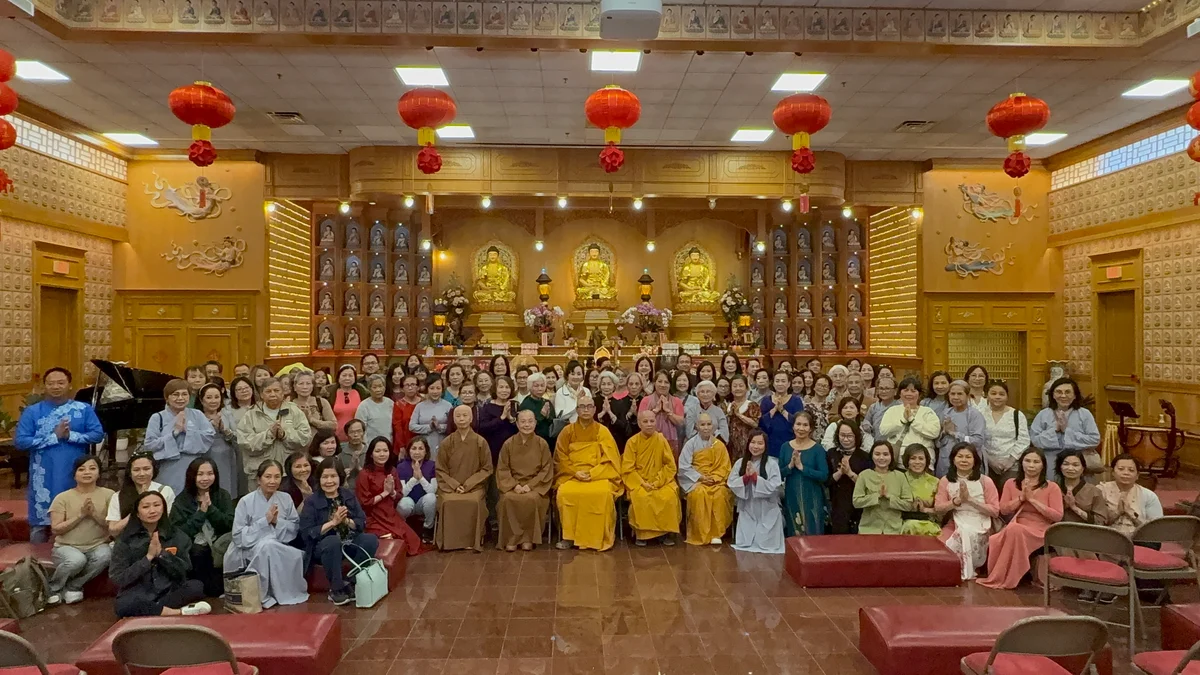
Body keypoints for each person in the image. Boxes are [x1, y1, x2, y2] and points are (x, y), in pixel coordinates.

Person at [16, 367, 105, 543]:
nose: (55, 386)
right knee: (40, 523)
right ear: (44, 386)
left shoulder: (83, 409)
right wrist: (53, 437)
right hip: (43, 475)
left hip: (74, 473)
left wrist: (71, 436)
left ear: (69, 385)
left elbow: (97, 434)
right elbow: (21, 441)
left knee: (75, 516)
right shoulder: (32, 412)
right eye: (51, 383)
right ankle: (35, 564)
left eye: (60, 382)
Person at [110, 491, 210, 617]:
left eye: (156, 505)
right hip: (139, 592)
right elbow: (118, 578)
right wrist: (148, 558)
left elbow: (184, 570)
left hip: (168, 590)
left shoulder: (177, 535)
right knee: (124, 605)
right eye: (146, 507)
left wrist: (162, 555)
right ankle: (178, 612)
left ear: (163, 508)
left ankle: (153, 610)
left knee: (196, 586)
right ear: (137, 513)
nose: (152, 511)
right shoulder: (125, 540)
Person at [224, 460, 308, 608]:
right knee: (267, 546)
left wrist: (276, 522)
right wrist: (265, 521)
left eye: (277, 477)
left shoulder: (286, 499)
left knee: (277, 549)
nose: (272, 481)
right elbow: (238, 536)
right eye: (268, 477)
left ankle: (276, 592)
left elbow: (294, 528)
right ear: (259, 479)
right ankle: (261, 594)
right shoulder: (245, 501)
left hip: (278, 546)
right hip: (248, 548)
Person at [977, 448, 1064, 590]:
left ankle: (1008, 578)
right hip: (1018, 523)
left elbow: (1057, 516)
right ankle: (1001, 576)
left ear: (1043, 465)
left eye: (1036, 462)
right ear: (1021, 463)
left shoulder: (1051, 487)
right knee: (1004, 534)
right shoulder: (1011, 483)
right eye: (1027, 461)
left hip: (1041, 529)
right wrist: (1021, 498)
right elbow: (1003, 509)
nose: (1031, 465)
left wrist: (1033, 501)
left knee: (1014, 530)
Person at [300, 458, 379, 605]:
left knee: (371, 539)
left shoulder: (348, 495)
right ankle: (336, 589)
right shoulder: (311, 501)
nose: (329, 481)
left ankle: (351, 581)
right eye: (325, 477)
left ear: (340, 478)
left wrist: (346, 521)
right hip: (322, 546)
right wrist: (333, 523)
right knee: (332, 542)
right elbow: (307, 533)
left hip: (348, 540)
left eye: (333, 476)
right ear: (319, 479)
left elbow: (361, 522)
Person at [554, 396, 623, 551]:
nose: (585, 410)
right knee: (565, 493)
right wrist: (574, 472)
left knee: (603, 493)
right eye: (582, 407)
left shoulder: (602, 431)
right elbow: (560, 457)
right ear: (577, 410)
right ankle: (569, 537)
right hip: (573, 475)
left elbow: (610, 459)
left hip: (597, 474)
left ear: (594, 409)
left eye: (589, 406)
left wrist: (593, 473)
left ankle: (598, 537)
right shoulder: (567, 431)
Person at [46, 456, 113, 606]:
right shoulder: (62, 497)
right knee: (77, 560)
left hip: (97, 544)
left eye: (92, 468)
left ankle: (73, 586)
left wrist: (94, 514)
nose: (87, 472)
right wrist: (81, 515)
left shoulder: (109, 495)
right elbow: (56, 529)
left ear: (99, 473)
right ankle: (53, 589)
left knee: (106, 555)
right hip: (66, 546)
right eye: (81, 469)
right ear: (74, 474)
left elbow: (111, 526)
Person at [170, 457, 234, 597]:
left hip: (220, 544)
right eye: (200, 474)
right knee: (198, 552)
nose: (205, 478)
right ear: (192, 476)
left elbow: (230, 524)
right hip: (194, 549)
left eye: (210, 474)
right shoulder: (182, 500)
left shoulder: (222, 495)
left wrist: (211, 509)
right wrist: (201, 513)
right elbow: (179, 532)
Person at [935, 443, 1000, 580]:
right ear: (953, 459)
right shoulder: (946, 481)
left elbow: (995, 511)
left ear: (975, 460)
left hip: (981, 522)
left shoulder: (985, 481)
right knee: (943, 542)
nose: (964, 460)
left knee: (966, 532)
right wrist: (955, 502)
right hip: (957, 520)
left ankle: (967, 571)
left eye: (968, 457)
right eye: (960, 456)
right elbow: (938, 508)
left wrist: (970, 500)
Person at [433, 405, 493, 551]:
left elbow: (487, 468)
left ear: (471, 418)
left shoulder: (480, 441)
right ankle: (450, 542)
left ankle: (473, 541)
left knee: (474, 501)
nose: (461, 419)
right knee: (447, 502)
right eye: (458, 416)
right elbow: (440, 469)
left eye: (465, 415)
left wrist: (468, 485)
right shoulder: (447, 442)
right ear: (453, 419)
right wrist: (454, 485)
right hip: (450, 487)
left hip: (474, 487)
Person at [146, 379, 216, 496]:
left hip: (194, 466)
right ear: (167, 397)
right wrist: (174, 433)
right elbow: (150, 444)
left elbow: (209, 436)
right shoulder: (157, 417)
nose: (180, 398)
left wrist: (188, 431)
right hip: (168, 467)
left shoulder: (197, 414)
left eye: (184, 394)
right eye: (175, 394)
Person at [496, 410, 554, 552]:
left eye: (530, 421)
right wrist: (514, 485)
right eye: (523, 421)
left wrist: (530, 485)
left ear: (535, 423)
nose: (526, 425)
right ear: (517, 423)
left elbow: (546, 469)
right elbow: (503, 469)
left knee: (532, 499)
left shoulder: (542, 444)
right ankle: (511, 539)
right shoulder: (508, 444)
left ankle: (528, 539)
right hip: (513, 485)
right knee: (507, 499)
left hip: (534, 486)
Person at [622, 410, 682, 546]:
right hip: (639, 481)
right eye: (645, 421)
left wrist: (658, 481)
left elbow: (670, 466)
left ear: (656, 422)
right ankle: (642, 534)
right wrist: (642, 483)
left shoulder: (661, 440)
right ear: (639, 424)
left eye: (652, 421)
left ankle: (665, 532)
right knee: (641, 498)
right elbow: (627, 468)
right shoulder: (632, 442)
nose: (649, 424)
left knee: (669, 496)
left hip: (661, 481)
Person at [237, 377, 312, 484]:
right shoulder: (251, 415)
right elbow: (245, 443)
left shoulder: (295, 411)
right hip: (260, 474)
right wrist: (269, 435)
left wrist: (285, 435)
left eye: (276, 391)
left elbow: (306, 438)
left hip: (289, 473)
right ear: (261, 395)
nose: (272, 394)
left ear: (283, 393)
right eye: (268, 391)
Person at [355, 438, 421, 553]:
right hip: (372, 516)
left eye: (385, 451)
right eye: (378, 451)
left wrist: (392, 493)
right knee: (392, 539)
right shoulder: (364, 474)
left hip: (390, 514)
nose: (382, 454)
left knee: (413, 542)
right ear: (371, 454)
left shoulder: (392, 470)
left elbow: (399, 494)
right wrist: (384, 493)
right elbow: (364, 503)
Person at [678, 413, 733, 546]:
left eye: (709, 424)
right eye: (702, 424)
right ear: (697, 426)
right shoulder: (690, 444)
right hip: (696, 480)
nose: (706, 427)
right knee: (699, 494)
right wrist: (701, 477)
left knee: (720, 494)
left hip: (716, 480)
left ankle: (716, 533)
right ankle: (700, 533)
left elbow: (725, 466)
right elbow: (684, 466)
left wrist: (714, 478)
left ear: (713, 426)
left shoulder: (719, 445)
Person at [1029, 377, 1101, 481]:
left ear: (1075, 395)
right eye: (1059, 392)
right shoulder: (1043, 414)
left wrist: (1067, 431)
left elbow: (1094, 440)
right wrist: (1055, 430)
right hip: (1050, 462)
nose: (1063, 395)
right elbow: (1035, 440)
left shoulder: (1084, 414)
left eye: (1068, 392)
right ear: (1053, 395)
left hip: (1078, 462)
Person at [727, 430, 784, 554]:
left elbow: (775, 487)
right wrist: (746, 478)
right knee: (746, 545)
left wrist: (755, 478)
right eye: (753, 442)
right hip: (748, 507)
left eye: (760, 443)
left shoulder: (772, 464)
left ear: (765, 446)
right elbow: (731, 483)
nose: (756, 446)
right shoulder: (740, 463)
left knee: (767, 545)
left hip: (767, 509)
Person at [778, 411, 828, 536]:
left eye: (805, 425)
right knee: (794, 530)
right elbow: (779, 474)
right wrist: (790, 466)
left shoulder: (817, 449)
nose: (801, 428)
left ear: (810, 428)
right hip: (792, 495)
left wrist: (802, 468)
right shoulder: (785, 447)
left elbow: (823, 475)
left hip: (812, 496)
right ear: (793, 426)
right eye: (798, 424)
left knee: (813, 531)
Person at [108, 453, 176, 536]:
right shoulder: (118, 496)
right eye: (136, 470)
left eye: (146, 469)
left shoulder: (165, 491)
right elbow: (113, 530)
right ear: (130, 473)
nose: (142, 474)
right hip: (129, 542)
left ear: (153, 470)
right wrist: (136, 510)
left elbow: (171, 522)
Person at [852, 441, 912, 534]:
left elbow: (908, 505)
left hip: (894, 530)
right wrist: (877, 496)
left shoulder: (900, 476)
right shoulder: (864, 475)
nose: (881, 458)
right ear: (872, 455)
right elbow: (856, 502)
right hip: (868, 530)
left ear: (891, 456)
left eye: (885, 454)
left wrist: (889, 497)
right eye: (877, 454)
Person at [1099, 453, 1162, 537]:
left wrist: (1131, 513)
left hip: (1140, 538)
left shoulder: (1148, 495)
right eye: (1121, 469)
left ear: (1137, 475)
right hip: (1107, 537)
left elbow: (1156, 528)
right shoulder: (1101, 491)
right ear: (1113, 472)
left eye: (1131, 470)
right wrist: (1117, 512)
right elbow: (1096, 523)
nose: (1126, 473)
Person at [194, 383, 240, 498]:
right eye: (209, 398)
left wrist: (224, 430)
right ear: (201, 399)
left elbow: (237, 439)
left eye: (217, 397)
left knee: (226, 490)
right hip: (205, 456)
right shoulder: (196, 416)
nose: (213, 401)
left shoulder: (227, 414)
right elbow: (194, 440)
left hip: (226, 457)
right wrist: (211, 426)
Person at [825, 420, 872, 534]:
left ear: (856, 436)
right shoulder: (831, 454)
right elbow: (826, 481)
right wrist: (840, 472)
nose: (845, 439)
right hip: (837, 503)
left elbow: (868, 485)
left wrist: (850, 473)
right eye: (842, 435)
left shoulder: (864, 456)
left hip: (858, 504)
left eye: (849, 436)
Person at [935, 380, 988, 477]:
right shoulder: (945, 413)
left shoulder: (974, 415)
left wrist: (955, 433)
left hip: (967, 463)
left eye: (960, 394)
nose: (955, 397)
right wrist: (943, 432)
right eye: (952, 394)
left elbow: (978, 441)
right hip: (945, 462)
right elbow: (937, 443)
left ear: (967, 396)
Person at [982, 381, 1030, 486]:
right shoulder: (980, 414)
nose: (997, 397)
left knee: (1009, 496)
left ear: (1007, 396)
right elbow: (978, 440)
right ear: (986, 395)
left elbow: (1024, 440)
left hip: (1012, 465)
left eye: (1001, 394)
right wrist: (990, 461)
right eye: (993, 393)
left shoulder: (1017, 415)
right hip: (986, 464)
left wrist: (1010, 461)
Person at [878, 377, 940, 455]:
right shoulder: (892, 410)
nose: (909, 394)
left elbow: (934, 433)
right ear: (900, 393)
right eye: (906, 390)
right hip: (898, 455)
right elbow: (884, 431)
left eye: (913, 391)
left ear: (919, 394)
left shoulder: (927, 411)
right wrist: (903, 420)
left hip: (922, 457)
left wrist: (912, 420)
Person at [398, 437, 437, 542]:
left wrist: (421, 478)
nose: (417, 452)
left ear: (426, 451)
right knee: (404, 502)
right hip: (408, 501)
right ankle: (403, 527)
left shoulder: (431, 465)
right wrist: (414, 479)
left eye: (420, 448)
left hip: (422, 502)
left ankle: (428, 528)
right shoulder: (401, 466)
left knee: (431, 498)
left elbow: (432, 491)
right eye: (414, 448)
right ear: (409, 450)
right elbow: (402, 493)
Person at [759, 371, 805, 459]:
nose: (780, 384)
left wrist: (782, 410)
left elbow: (799, 421)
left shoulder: (796, 400)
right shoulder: (766, 400)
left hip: (790, 441)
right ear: (773, 383)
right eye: (777, 381)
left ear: (788, 384)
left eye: (783, 381)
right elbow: (761, 423)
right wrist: (774, 409)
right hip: (770, 442)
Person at [638, 371, 686, 456]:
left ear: (670, 385)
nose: (663, 385)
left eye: (666, 382)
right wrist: (656, 410)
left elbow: (681, 422)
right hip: (648, 441)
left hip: (671, 442)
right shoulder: (646, 400)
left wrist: (668, 411)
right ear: (654, 383)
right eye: (660, 381)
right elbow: (640, 422)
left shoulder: (676, 401)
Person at [900, 445, 941, 537]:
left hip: (929, 522)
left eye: (921, 458)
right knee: (910, 526)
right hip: (903, 523)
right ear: (907, 461)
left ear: (926, 461)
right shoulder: (899, 479)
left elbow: (940, 512)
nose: (917, 462)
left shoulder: (935, 482)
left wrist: (925, 509)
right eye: (913, 458)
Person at [409, 375, 453, 458]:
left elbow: (452, 426)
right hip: (424, 445)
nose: (435, 391)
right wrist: (429, 427)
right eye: (432, 388)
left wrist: (439, 426)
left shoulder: (448, 405)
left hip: (442, 443)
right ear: (427, 389)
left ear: (442, 389)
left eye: (438, 388)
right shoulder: (420, 406)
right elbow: (411, 426)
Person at [724, 375, 762, 465]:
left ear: (746, 388)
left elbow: (755, 424)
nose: (738, 388)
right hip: (730, 447)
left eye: (741, 386)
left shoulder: (752, 405)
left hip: (747, 446)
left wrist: (738, 414)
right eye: (735, 386)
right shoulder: (727, 405)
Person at [292, 370, 336, 435]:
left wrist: (312, 420)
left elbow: (334, 425)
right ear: (295, 387)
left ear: (313, 386)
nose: (305, 387)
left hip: (319, 442)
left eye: (308, 383)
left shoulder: (321, 402)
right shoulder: (289, 404)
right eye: (301, 384)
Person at [355, 374, 396, 443]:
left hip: (389, 443)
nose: (378, 390)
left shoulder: (390, 403)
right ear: (369, 389)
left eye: (380, 386)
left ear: (384, 387)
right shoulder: (364, 406)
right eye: (374, 387)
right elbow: (360, 429)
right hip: (370, 445)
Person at [553, 360, 592, 431]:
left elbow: (590, 411)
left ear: (583, 376)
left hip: (585, 428)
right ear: (567, 376)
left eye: (579, 374)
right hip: (567, 430)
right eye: (572, 374)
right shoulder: (561, 392)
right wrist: (577, 403)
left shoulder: (586, 391)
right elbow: (560, 415)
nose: (576, 377)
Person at [330, 365, 362, 442]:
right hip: (335, 436)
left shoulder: (362, 392)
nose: (347, 378)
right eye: (344, 375)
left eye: (350, 375)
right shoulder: (330, 394)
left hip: (357, 436)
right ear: (338, 377)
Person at [392, 374, 423, 452]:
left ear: (418, 387)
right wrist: (402, 446)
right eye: (407, 385)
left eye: (413, 384)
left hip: (422, 442)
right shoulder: (399, 404)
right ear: (402, 389)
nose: (410, 387)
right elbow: (397, 427)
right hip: (404, 443)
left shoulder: (424, 402)